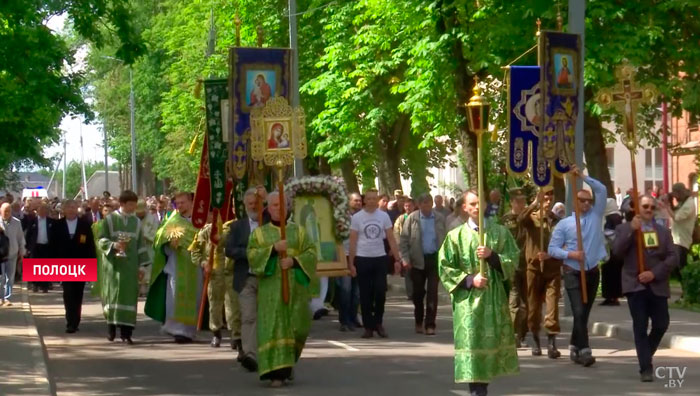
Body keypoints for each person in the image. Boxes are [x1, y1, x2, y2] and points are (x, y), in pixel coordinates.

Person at [438, 190, 520, 395]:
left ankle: (481, 387)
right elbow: (444, 266)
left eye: (479, 203)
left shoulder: (500, 232)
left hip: (493, 299)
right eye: (471, 204)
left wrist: (492, 256)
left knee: (492, 346)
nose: (476, 207)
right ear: (464, 207)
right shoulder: (455, 236)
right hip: (469, 303)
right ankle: (477, 390)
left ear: (485, 205)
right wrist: (469, 280)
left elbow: (513, 259)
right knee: (473, 348)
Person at [247, 191, 317, 387]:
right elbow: (252, 255)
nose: (279, 208)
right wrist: (273, 249)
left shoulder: (299, 231)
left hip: (295, 287)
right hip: (271, 289)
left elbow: (311, 253)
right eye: (275, 205)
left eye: (283, 205)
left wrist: (294, 261)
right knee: (274, 328)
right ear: (268, 208)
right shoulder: (260, 233)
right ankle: (277, 373)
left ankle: (289, 362)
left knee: (298, 326)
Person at [612, 195, 678, 382]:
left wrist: (654, 273)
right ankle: (645, 368)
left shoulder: (663, 232)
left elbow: (673, 257)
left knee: (661, 324)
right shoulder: (623, 228)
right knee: (640, 326)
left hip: (657, 284)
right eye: (645, 206)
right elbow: (616, 252)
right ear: (637, 209)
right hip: (635, 285)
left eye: (651, 206)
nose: (649, 209)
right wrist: (631, 231)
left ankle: (645, 353)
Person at [548, 165, 607, 367]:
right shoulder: (564, 224)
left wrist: (582, 176)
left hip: (591, 271)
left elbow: (601, 190)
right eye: (582, 200)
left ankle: (574, 344)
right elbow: (552, 249)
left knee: (585, 312)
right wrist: (571, 254)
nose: (586, 204)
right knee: (579, 312)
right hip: (573, 272)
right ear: (575, 202)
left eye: (588, 201)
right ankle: (585, 350)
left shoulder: (596, 216)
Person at [145, 192, 201, 343]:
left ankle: (189, 331)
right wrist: (169, 245)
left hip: (196, 266)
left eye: (183, 202)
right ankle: (176, 330)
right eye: (178, 203)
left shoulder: (200, 221)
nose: (180, 206)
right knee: (175, 297)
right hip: (176, 266)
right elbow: (159, 239)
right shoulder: (172, 220)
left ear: (191, 202)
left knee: (194, 297)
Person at [96, 191, 151, 344]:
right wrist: (113, 245)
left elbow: (140, 245)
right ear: (122, 204)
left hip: (131, 267)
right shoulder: (110, 220)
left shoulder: (137, 222)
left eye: (134, 204)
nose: (133, 208)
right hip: (114, 266)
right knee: (113, 296)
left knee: (129, 298)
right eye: (130, 204)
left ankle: (126, 334)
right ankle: (111, 329)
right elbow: (101, 239)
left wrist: (142, 267)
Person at [225, 187, 269, 372]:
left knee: (266, 317)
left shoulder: (271, 223)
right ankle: (249, 354)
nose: (253, 206)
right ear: (244, 205)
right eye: (250, 203)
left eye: (256, 203)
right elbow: (230, 250)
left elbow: (287, 211)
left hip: (267, 277)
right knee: (249, 316)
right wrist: (250, 254)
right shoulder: (237, 226)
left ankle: (266, 353)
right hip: (246, 278)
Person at [349, 188, 401, 339]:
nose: (371, 201)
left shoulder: (383, 216)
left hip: (379, 258)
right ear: (365, 200)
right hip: (362, 258)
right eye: (369, 198)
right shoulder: (357, 218)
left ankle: (378, 322)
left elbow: (391, 238)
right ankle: (368, 327)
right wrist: (351, 263)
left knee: (380, 292)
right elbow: (353, 241)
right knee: (365, 294)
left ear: (377, 200)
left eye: (374, 198)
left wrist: (397, 259)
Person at [519, 187, 562, 358]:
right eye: (545, 193)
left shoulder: (557, 219)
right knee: (534, 307)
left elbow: (564, 243)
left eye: (551, 194)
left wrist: (551, 254)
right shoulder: (531, 217)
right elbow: (521, 219)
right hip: (534, 269)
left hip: (552, 269)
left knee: (552, 307)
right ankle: (535, 339)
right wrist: (535, 203)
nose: (548, 197)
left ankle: (552, 343)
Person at [192, 213, 242, 353]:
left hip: (231, 271)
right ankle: (216, 333)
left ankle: (235, 335)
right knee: (214, 304)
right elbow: (195, 252)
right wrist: (203, 263)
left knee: (233, 304)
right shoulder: (205, 231)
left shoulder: (233, 227)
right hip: (214, 273)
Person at [399, 193, 447, 335]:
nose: (426, 205)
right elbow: (404, 241)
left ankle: (430, 324)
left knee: (433, 293)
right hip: (416, 261)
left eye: (429, 202)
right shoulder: (412, 218)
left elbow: (446, 239)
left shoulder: (440, 218)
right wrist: (405, 259)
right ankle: (419, 321)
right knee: (418, 293)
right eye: (424, 203)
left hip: (434, 259)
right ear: (419, 205)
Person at [50, 200, 96, 333]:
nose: (71, 210)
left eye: (73, 207)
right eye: (68, 207)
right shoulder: (57, 225)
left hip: (81, 265)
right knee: (68, 293)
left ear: (77, 209)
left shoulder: (85, 225)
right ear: (63, 210)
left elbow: (90, 246)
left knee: (78, 293)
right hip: (64, 265)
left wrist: (91, 264)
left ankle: (76, 320)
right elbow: (53, 246)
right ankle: (70, 321)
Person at [500, 188, 528, 347]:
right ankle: (514, 335)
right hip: (512, 266)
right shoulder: (505, 220)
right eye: (518, 201)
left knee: (527, 303)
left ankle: (523, 333)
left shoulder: (529, 218)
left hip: (528, 265)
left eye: (523, 201)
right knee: (514, 303)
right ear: (511, 202)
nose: (521, 204)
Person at [659, 183, 696, 301]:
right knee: (676, 266)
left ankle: (687, 291)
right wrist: (668, 204)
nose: (675, 197)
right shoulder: (683, 202)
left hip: (682, 239)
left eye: (675, 194)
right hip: (677, 238)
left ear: (680, 192)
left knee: (681, 266)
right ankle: (685, 291)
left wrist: (667, 206)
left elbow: (677, 217)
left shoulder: (689, 204)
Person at [338, 192, 363, 331]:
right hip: (345, 256)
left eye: (359, 201)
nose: (358, 203)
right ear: (348, 202)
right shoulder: (341, 217)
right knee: (345, 289)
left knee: (357, 291)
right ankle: (344, 320)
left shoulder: (363, 217)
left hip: (361, 256)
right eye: (355, 201)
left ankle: (354, 317)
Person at [25, 203, 54, 293]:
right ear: (37, 211)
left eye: (44, 210)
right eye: (41, 210)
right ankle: (35, 284)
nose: (42, 212)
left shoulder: (50, 221)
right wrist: (27, 247)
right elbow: (28, 235)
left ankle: (44, 285)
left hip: (46, 246)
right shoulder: (33, 221)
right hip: (35, 246)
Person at [0, 202, 25, 306]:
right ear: (0, 211)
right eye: (4, 211)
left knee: (10, 278)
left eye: (8, 211)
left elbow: (21, 238)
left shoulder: (17, 223)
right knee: (0, 278)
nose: (6, 213)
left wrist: (22, 252)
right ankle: (0, 298)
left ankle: (6, 298)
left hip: (12, 254)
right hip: (0, 256)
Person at [600, 198, 624, 306]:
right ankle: (615, 297)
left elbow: (609, 232)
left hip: (611, 250)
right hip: (619, 251)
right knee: (616, 274)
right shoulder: (619, 216)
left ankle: (610, 297)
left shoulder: (610, 217)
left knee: (609, 274)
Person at [394, 198, 415, 300]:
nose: (407, 208)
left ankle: (418, 291)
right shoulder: (401, 218)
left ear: (413, 206)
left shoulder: (417, 217)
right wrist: (399, 245)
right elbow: (396, 232)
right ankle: (410, 293)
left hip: (416, 247)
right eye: (406, 206)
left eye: (409, 206)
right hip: (405, 247)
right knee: (407, 270)